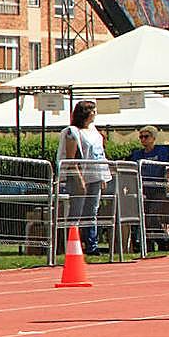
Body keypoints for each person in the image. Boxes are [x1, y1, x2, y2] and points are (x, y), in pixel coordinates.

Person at [58, 100, 112, 256]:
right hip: (79, 176)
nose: (95, 114)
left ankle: (92, 245)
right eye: (93, 111)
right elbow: (71, 157)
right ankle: (72, 245)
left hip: (95, 175)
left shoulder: (95, 131)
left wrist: (103, 176)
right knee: (76, 211)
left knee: (92, 211)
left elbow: (100, 155)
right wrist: (79, 178)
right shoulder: (73, 132)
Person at [130, 126, 169, 240]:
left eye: (146, 136)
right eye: (141, 137)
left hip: (158, 189)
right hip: (143, 189)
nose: (143, 139)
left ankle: (162, 239)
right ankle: (149, 243)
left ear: (153, 137)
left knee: (153, 215)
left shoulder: (162, 151)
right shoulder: (137, 154)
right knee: (145, 217)